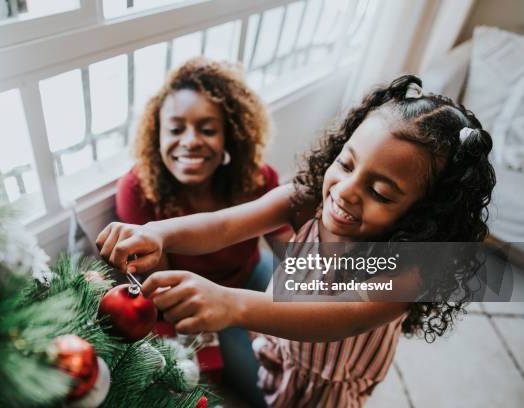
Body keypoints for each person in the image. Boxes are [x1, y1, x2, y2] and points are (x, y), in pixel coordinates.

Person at [97, 75, 495, 407]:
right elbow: (222, 226)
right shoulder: (303, 202)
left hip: (329, 381)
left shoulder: (408, 271)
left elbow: (331, 317)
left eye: (381, 192)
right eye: (347, 163)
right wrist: (159, 233)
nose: (346, 191)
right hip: (279, 346)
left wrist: (232, 302)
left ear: (425, 217)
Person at [111, 57, 292, 406]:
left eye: (207, 129)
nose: (191, 141)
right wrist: (245, 321)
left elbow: (293, 254)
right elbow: (161, 293)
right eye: (176, 129)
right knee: (272, 389)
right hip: (196, 298)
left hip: (253, 274)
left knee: (307, 346)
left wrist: (272, 312)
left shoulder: (257, 178)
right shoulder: (137, 190)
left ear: (230, 135)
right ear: (157, 134)